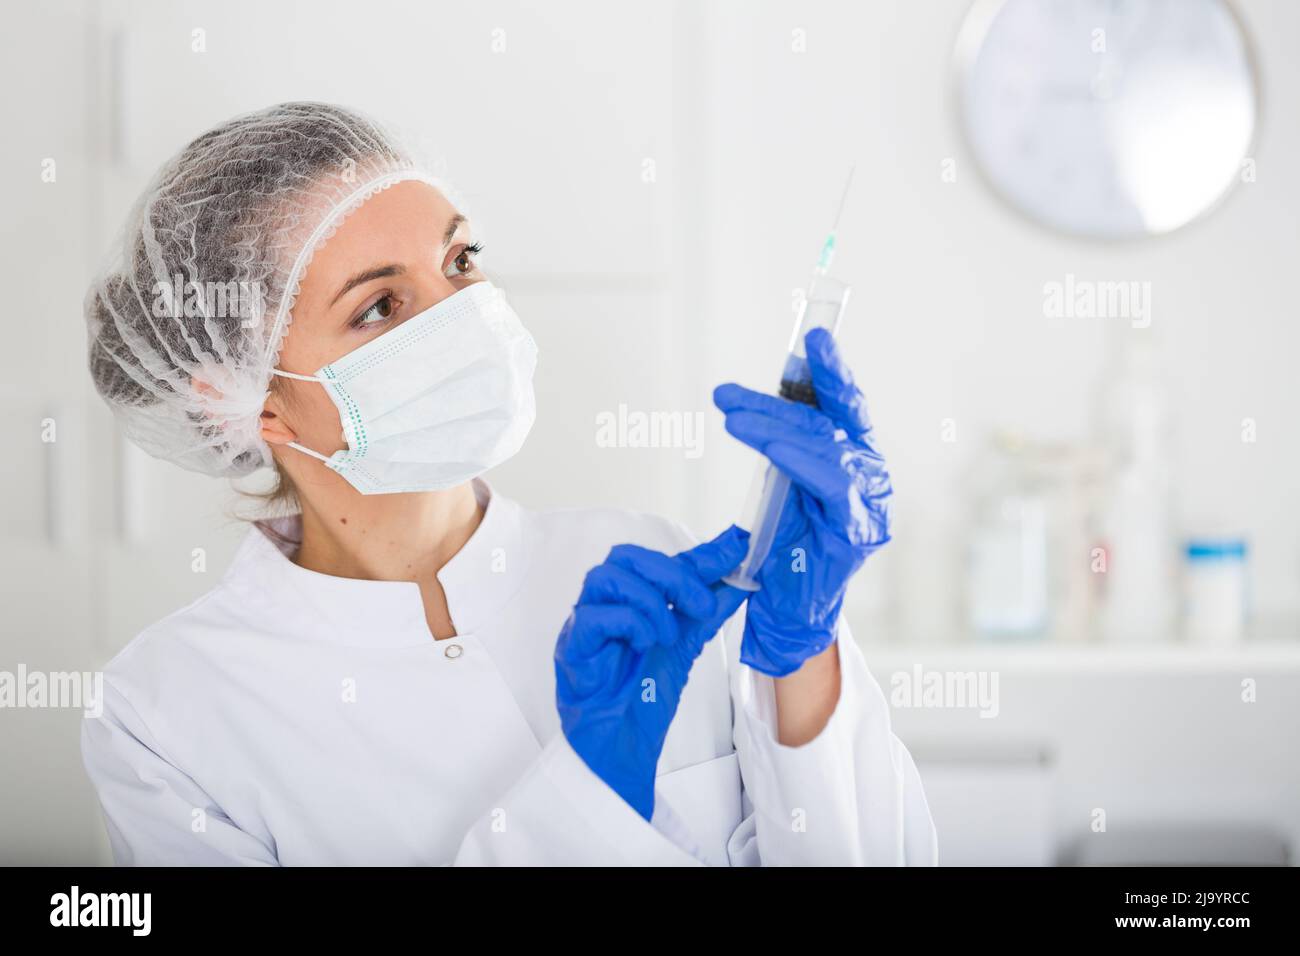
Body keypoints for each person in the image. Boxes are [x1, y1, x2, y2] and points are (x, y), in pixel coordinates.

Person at [80, 102, 936, 865]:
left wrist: (806, 656)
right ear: (256, 403)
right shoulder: (167, 716)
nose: (460, 314)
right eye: (379, 305)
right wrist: (588, 797)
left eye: (459, 259)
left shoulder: (668, 574)